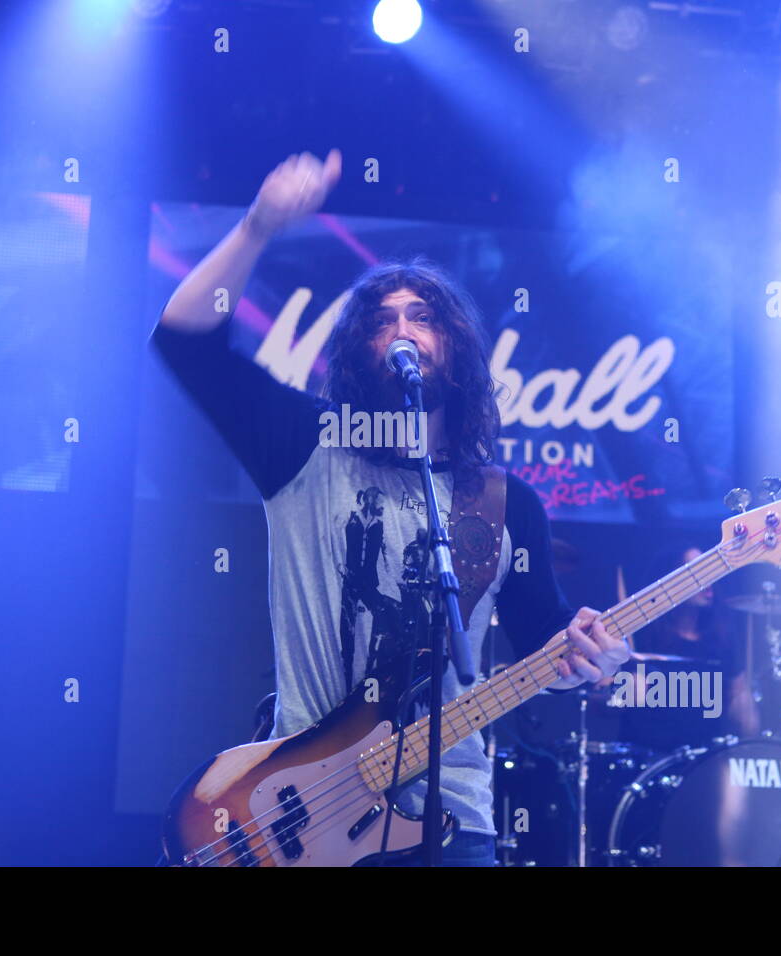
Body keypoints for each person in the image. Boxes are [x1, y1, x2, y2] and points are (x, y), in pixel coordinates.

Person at [151, 148, 631, 866]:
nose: (403, 328)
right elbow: (187, 343)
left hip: (452, 818)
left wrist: (594, 656)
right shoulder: (303, 446)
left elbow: (543, 639)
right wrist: (257, 227)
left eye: (423, 316)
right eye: (382, 319)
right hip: (302, 810)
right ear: (358, 348)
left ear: (455, 347)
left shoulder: (507, 503)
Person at [615, 544, 759, 753]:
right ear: (670, 579)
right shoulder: (639, 634)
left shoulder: (721, 639)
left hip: (703, 763)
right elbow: (596, 705)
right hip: (646, 762)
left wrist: (745, 710)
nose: (708, 582)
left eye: (710, 571)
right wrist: (622, 694)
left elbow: (740, 703)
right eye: (696, 572)